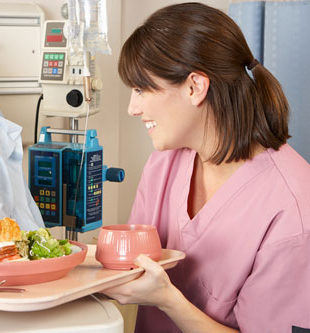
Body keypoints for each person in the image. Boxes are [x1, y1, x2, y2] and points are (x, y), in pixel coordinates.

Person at [99, 3, 310, 333]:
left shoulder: (292, 206)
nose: (132, 108)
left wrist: (168, 299)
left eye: (141, 89)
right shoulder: (162, 165)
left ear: (195, 87)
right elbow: (129, 268)